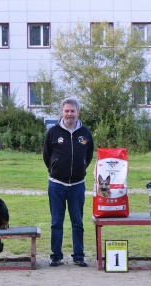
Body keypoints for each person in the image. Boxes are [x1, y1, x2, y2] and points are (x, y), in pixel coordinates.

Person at [43, 98, 94, 267]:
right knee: (56, 222)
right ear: (61, 112)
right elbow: (47, 156)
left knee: (77, 222)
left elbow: (88, 155)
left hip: (77, 185)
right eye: (67, 111)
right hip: (56, 184)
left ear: (77, 112)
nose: (69, 114)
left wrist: (82, 168)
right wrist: (55, 168)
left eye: (72, 111)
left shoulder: (85, 133)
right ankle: (56, 256)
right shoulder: (53, 132)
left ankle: (78, 256)